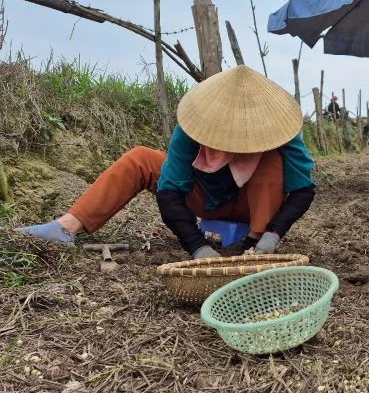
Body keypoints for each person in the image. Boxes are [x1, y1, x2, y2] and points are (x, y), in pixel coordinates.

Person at [16, 65, 316, 259]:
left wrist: (272, 234)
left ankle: (252, 246)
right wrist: (197, 246)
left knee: (272, 161)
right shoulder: (194, 128)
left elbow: (303, 189)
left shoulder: (279, 131)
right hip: (205, 198)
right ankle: (66, 227)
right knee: (141, 158)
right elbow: (171, 190)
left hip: (254, 208)